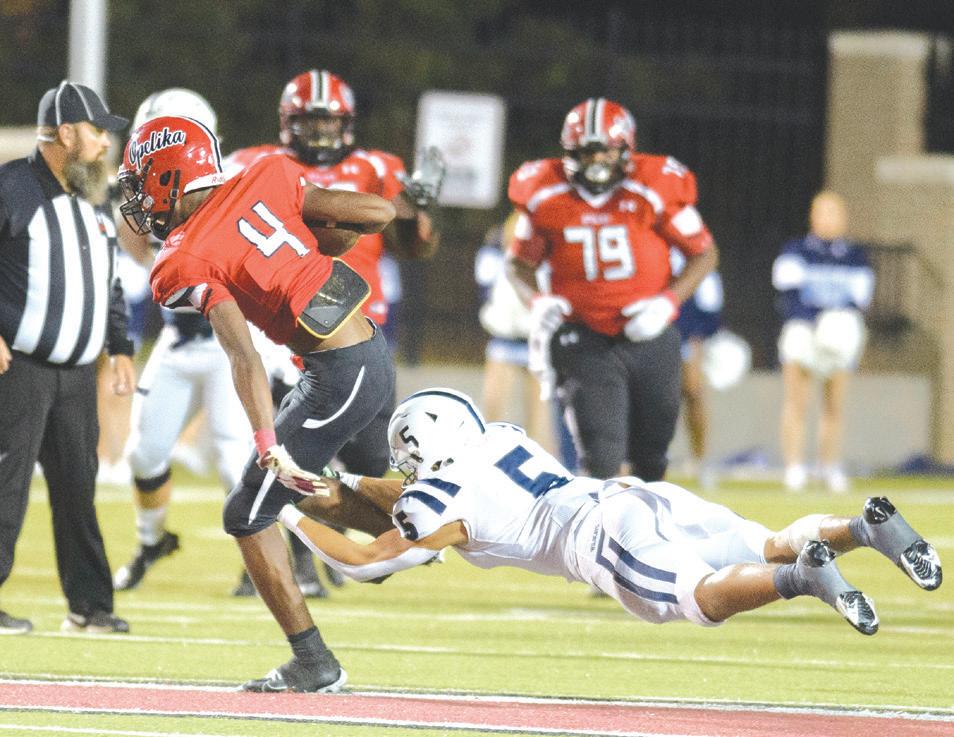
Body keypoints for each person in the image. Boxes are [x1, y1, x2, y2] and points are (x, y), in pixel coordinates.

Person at [278, 387, 943, 639]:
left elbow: (365, 561)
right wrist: (343, 480)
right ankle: (865, 528)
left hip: (601, 539)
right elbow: (417, 494)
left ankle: (805, 578)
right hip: (638, 494)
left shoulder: (439, 499)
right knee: (767, 541)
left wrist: (283, 514)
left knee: (700, 599)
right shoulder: (499, 438)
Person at [116, 113, 402, 692]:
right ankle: (416, 525)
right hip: (362, 353)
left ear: (170, 176)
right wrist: (317, 229)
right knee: (292, 491)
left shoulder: (182, 257)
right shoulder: (268, 174)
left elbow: (242, 354)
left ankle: (315, 661)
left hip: (338, 374)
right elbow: (378, 214)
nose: (138, 197)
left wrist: (266, 439)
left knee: (247, 512)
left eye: (142, 181)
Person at [225, 68, 442, 593]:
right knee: (293, 450)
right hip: (290, 329)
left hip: (360, 332)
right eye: (310, 121)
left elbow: (415, 248)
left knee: (372, 459)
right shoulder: (260, 165)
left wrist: (417, 211)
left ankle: (352, 544)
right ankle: (292, 561)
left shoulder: (376, 168)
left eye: (329, 121)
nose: (321, 132)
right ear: (287, 123)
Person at [506, 98, 718, 481]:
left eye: (605, 150)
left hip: (649, 335)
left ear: (625, 150)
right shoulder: (545, 192)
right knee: (601, 456)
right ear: (570, 152)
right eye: (587, 151)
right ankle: (598, 520)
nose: (596, 160)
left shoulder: (652, 186)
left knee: (651, 459)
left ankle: (643, 518)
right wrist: (537, 302)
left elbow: (703, 253)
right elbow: (518, 263)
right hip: (585, 338)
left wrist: (666, 303)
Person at [109, 88, 264, 595]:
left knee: (235, 458)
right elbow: (139, 251)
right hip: (177, 341)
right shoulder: (145, 194)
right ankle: (151, 541)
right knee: (144, 453)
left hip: (230, 343)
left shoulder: (236, 186)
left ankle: (260, 563)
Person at [0, 80, 136, 635]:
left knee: (79, 490)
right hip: (20, 369)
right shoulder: (12, 187)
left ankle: (90, 605)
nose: (105, 142)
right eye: (96, 131)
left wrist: (121, 346)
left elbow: (109, 281)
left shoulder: (92, 196)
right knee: (6, 488)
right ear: (64, 132)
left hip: (78, 375)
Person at [772, 191, 875, 493]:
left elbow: (859, 298)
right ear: (812, 217)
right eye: (822, 212)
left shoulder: (855, 256)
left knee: (834, 404)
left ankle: (828, 466)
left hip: (837, 334)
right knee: (796, 401)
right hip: (803, 330)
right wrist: (816, 321)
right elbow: (788, 294)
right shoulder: (795, 250)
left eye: (834, 213)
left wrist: (835, 322)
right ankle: (794, 468)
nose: (828, 219)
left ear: (844, 218)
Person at [474, 215, 555, 453]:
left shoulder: (549, 240)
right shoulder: (497, 243)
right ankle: (489, 460)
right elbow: (485, 284)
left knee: (539, 420)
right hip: (504, 339)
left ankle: (539, 466)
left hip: (537, 341)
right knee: (493, 412)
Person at [671, 249, 724, 488]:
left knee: (694, 391)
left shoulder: (693, 250)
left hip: (686, 336)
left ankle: (700, 459)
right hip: (647, 334)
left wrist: (699, 335)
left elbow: (711, 307)